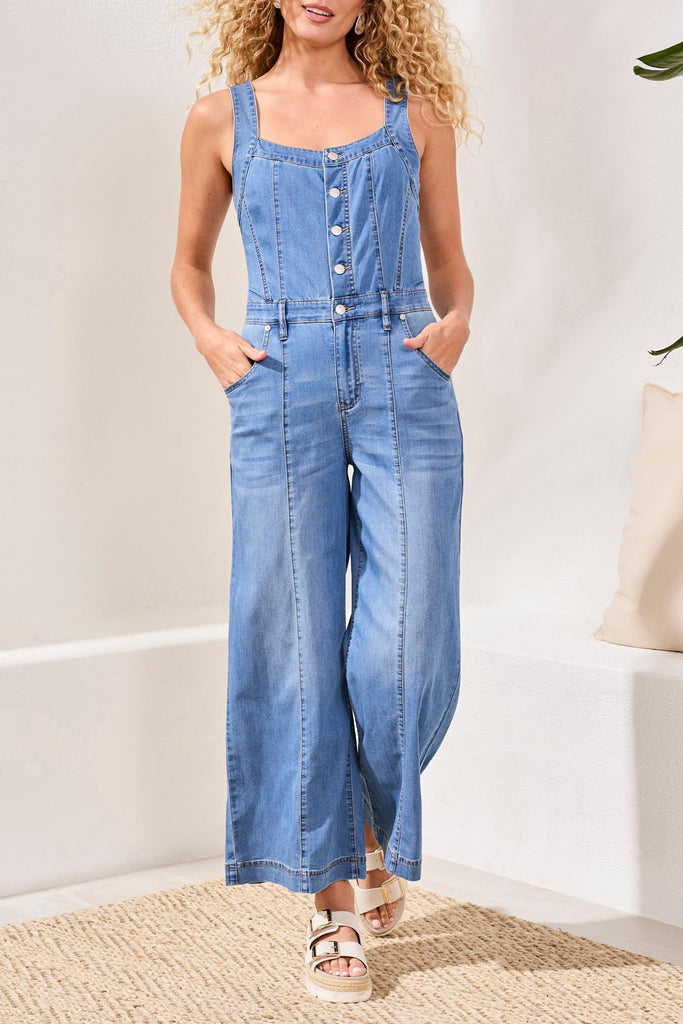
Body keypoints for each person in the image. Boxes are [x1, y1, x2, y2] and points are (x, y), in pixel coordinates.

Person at [171, 0, 480, 1003]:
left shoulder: (414, 113)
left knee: (406, 641)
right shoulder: (220, 118)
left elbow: (448, 258)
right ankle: (330, 904)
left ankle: (365, 824)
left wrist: (455, 322)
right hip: (278, 376)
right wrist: (215, 341)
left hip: (403, 372)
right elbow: (186, 264)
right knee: (291, 636)